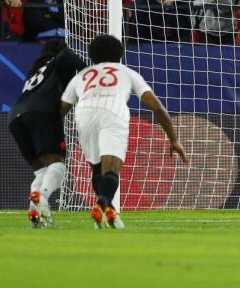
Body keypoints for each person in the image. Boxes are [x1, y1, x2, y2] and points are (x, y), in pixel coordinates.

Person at [60, 34, 186, 228]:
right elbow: (158, 108)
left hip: (84, 114)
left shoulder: (82, 75)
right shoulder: (126, 72)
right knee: (111, 169)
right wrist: (174, 139)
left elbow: (59, 111)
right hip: (113, 112)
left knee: (97, 168)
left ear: (92, 55)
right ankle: (101, 203)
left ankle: (106, 211)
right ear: (120, 54)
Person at [7, 39, 86, 228]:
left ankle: (36, 212)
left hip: (15, 117)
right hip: (41, 113)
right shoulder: (60, 59)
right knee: (58, 166)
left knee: (42, 171)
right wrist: (89, 70)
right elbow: (67, 56)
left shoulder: (38, 70)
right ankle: (42, 197)